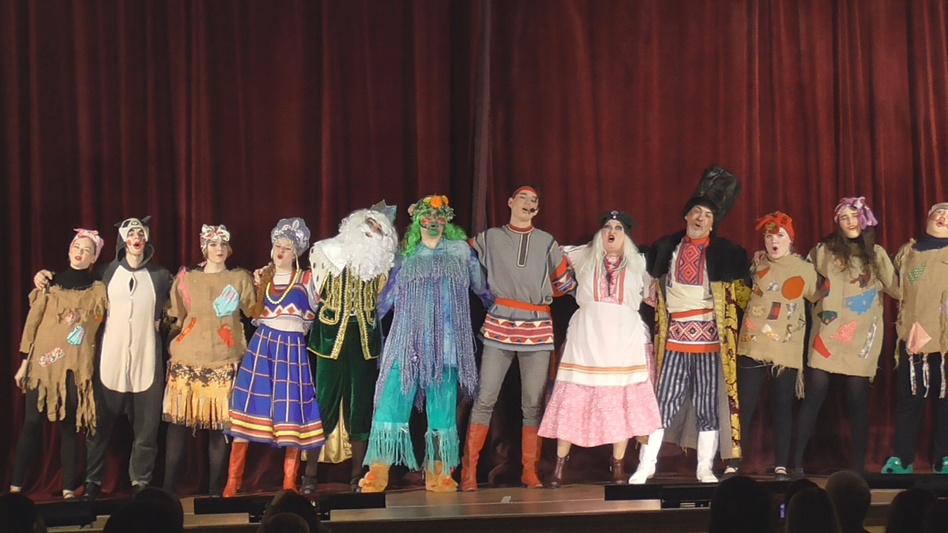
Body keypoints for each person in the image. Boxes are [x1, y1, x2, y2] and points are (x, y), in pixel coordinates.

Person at [358, 195, 491, 493]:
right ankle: (378, 470)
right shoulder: (405, 256)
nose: (433, 223)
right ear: (417, 221)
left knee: (442, 409)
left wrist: (501, 311)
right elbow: (385, 301)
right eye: (426, 218)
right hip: (406, 342)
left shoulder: (460, 252)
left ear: (447, 221)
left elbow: (483, 289)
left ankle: (439, 471)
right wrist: (362, 320)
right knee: (390, 402)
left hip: (446, 345)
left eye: (439, 218)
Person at [35, 217, 173, 499]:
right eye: (131, 234)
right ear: (123, 240)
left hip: (146, 358)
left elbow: (181, 300)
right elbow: (76, 286)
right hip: (109, 357)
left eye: (141, 234)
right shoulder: (105, 272)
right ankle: (93, 480)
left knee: (146, 430)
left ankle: (140, 481)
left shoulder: (160, 275)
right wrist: (46, 276)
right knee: (97, 426)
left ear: (147, 239)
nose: (136, 239)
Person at [639, 167, 750, 483]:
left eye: (708, 215)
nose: (701, 218)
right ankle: (646, 464)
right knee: (662, 402)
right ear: (686, 215)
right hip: (674, 338)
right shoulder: (665, 248)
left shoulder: (728, 254)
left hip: (709, 341)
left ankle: (704, 466)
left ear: (713, 223)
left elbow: (744, 295)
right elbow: (646, 282)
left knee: (707, 404)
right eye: (697, 212)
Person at [461, 185, 575, 491]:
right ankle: (469, 472)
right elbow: (461, 255)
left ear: (537, 209)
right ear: (510, 202)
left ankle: (529, 470)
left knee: (532, 404)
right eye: (523, 197)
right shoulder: (490, 238)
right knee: (485, 398)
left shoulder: (546, 241)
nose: (528, 202)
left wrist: (546, 291)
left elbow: (566, 283)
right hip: (499, 323)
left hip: (537, 328)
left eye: (534, 200)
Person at [537, 211, 661, 487]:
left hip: (624, 340)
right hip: (587, 338)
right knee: (573, 397)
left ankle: (618, 465)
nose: (612, 231)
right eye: (607, 227)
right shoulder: (583, 256)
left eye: (618, 228)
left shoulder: (638, 263)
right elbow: (551, 254)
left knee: (621, 401)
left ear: (626, 236)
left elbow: (654, 296)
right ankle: (559, 466)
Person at [791, 197, 897, 475]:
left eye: (854, 216)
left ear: (864, 220)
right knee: (814, 395)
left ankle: (858, 469)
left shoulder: (876, 254)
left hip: (861, 336)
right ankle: (795, 464)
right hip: (827, 333)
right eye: (844, 217)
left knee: (857, 400)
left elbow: (897, 288)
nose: (850, 222)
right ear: (837, 222)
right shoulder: (823, 251)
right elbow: (806, 282)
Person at [301, 202, 398, 494]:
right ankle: (309, 474)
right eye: (369, 225)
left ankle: (357, 475)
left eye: (378, 229)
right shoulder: (326, 252)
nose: (372, 231)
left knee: (360, 406)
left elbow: (381, 299)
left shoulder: (382, 264)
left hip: (364, 339)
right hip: (330, 336)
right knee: (324, 403)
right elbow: (314, 291)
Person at [224, 218, 325, 496]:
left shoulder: (307, 279)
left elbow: (315, 314)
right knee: (248, 407)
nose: (281, 251)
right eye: (278, 246)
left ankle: (290, 482)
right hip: (263, 346)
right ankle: (232, 480)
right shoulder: (262, 278)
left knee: (291, 411)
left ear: (296, 253)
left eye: (287, 248)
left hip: (291, 348)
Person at [11, 230, 107, 499]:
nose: (80, 253)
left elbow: (99, 325)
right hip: (43, 365)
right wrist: (24, 363)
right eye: (77, 247)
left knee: (69, 426)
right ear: (69, 250)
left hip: (75, 367)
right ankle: (15, 487)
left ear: (93, 258)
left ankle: (67, 489)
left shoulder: (97, 290)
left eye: (87, 250)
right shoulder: (50, 285)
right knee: (32, 422)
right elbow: (32, 324)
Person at [161, 225, 255, 496]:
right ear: (204, 248)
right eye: (213, 244)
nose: (219, 249)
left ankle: (215, 490)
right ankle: (167, 489)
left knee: (219, 426)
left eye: (223, 244)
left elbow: (254, 310)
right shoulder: (187, 278)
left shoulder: (239, 278)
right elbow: (176, 314)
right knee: (178, 424)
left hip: (224, 359)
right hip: (187, 358)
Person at [729, 212, 817, 479]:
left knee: (782, 406)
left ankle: (781, 464)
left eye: (779, 235)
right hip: (753, 344)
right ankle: (733, 461)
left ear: (790, 239)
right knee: (745, 405)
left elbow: (817, 297)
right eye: (769, 236)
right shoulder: (756, 265)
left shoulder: (805, 270)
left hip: (786, 347)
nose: (773, 241)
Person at [881, 202, 948, 475]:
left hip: (945, 341)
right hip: (914, 339)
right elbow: (898, 290)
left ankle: (944, 457)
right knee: (910, 399)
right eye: (938, 212)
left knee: (945, 399)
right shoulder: (909, 253)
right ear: (928, 218)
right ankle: (903, 458)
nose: (943, 217)